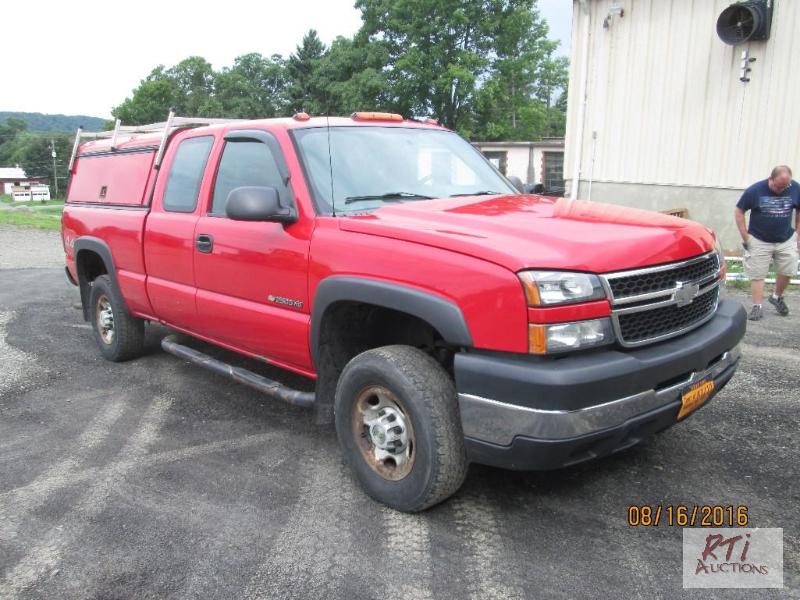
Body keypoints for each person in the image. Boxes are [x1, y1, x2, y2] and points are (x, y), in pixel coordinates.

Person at [734, 165, 800, 320]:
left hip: (786, 239)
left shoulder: (795, 188)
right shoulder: (755, 190)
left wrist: (798, 233)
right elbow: (739, 211)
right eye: (777, 186)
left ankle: (776, 297)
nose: (780, 190)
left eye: (785, 187)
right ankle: (757, 306)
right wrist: (746, 236)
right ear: (770, 178)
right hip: (759, 239)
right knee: (758, 274)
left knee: (788, 269)